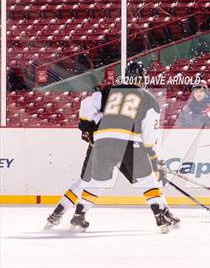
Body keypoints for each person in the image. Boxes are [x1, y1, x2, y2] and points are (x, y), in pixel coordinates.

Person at [45, 62, 180, 233]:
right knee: (148, 181)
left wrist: (88, 130)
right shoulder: (148, 98)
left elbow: (87, 105)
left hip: (102, 143)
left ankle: (76, 215)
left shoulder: (108, 91)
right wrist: (153, 156)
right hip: (128, 142)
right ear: (141, 79)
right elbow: (149, 135)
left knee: (95, 181)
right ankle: (161, 214)